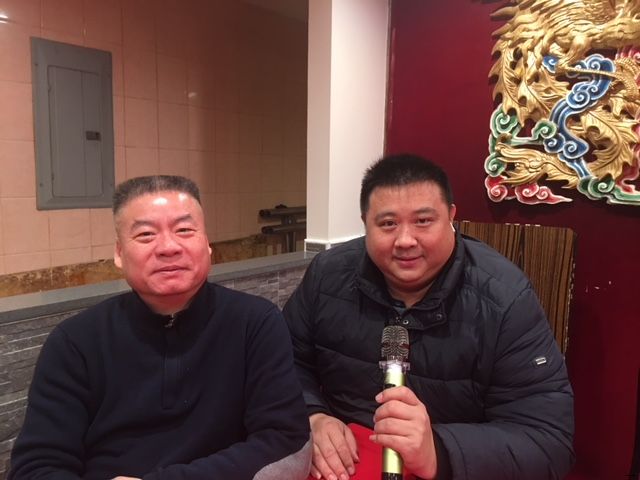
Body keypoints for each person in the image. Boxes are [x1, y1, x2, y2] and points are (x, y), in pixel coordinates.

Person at [283, 154, 574, 480]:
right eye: (388, 224)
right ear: (365, 222)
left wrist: (439, 450)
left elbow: (548, 442)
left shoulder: (505, 299)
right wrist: (313, 415)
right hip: (342, 463)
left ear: (451, 216)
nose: (405, 240)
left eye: (423, 221)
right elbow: (281, 361)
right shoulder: (328, 275)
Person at [9, 175, 311, 480]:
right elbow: (36, 466)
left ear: (207, 245)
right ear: (119, 253)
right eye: (145, 235)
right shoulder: (75, 341)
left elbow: (283, 438)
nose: (168, 247)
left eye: (184, 230)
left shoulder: (254, 322)